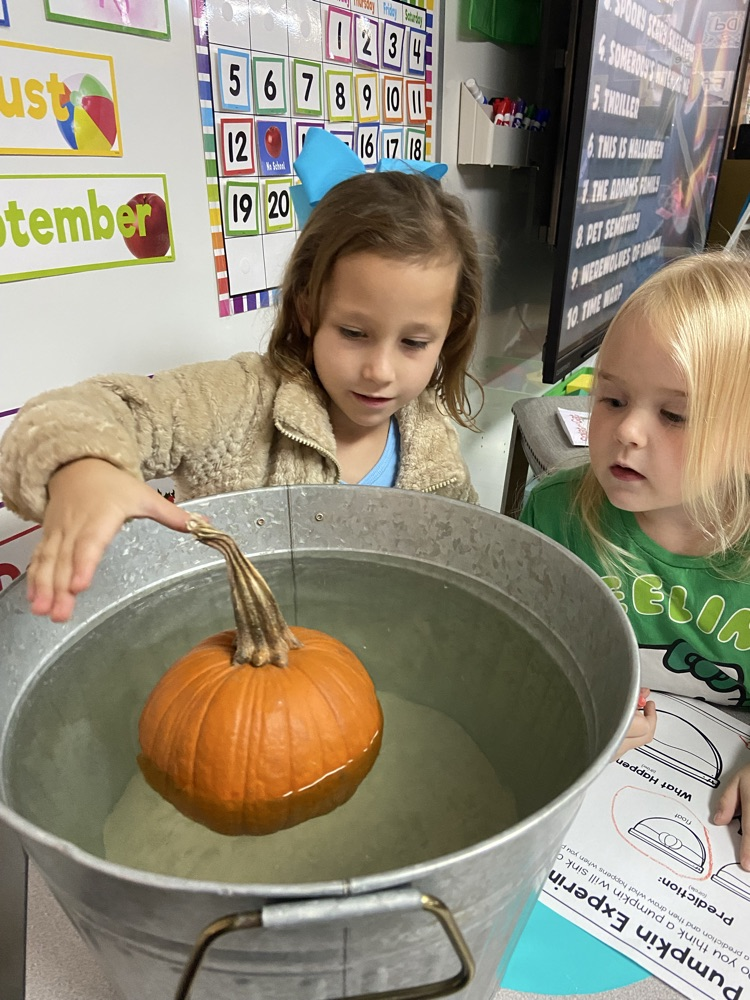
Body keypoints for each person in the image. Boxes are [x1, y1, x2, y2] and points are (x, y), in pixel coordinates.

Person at [0, 142, 483, 625]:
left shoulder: (431, 438)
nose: (380, 370)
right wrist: (81, 466)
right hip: (238, 658)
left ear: (449, 332)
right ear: (308, 311)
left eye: (414, 343)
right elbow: (79, 412)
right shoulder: (240, 400)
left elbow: (464, 552)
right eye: (353, 333)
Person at [520, 247, 750, 870]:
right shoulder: (554, 513)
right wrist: (573, 707)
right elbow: (521, 657)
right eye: (612, 399)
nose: (628, 432)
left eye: (674, 414)